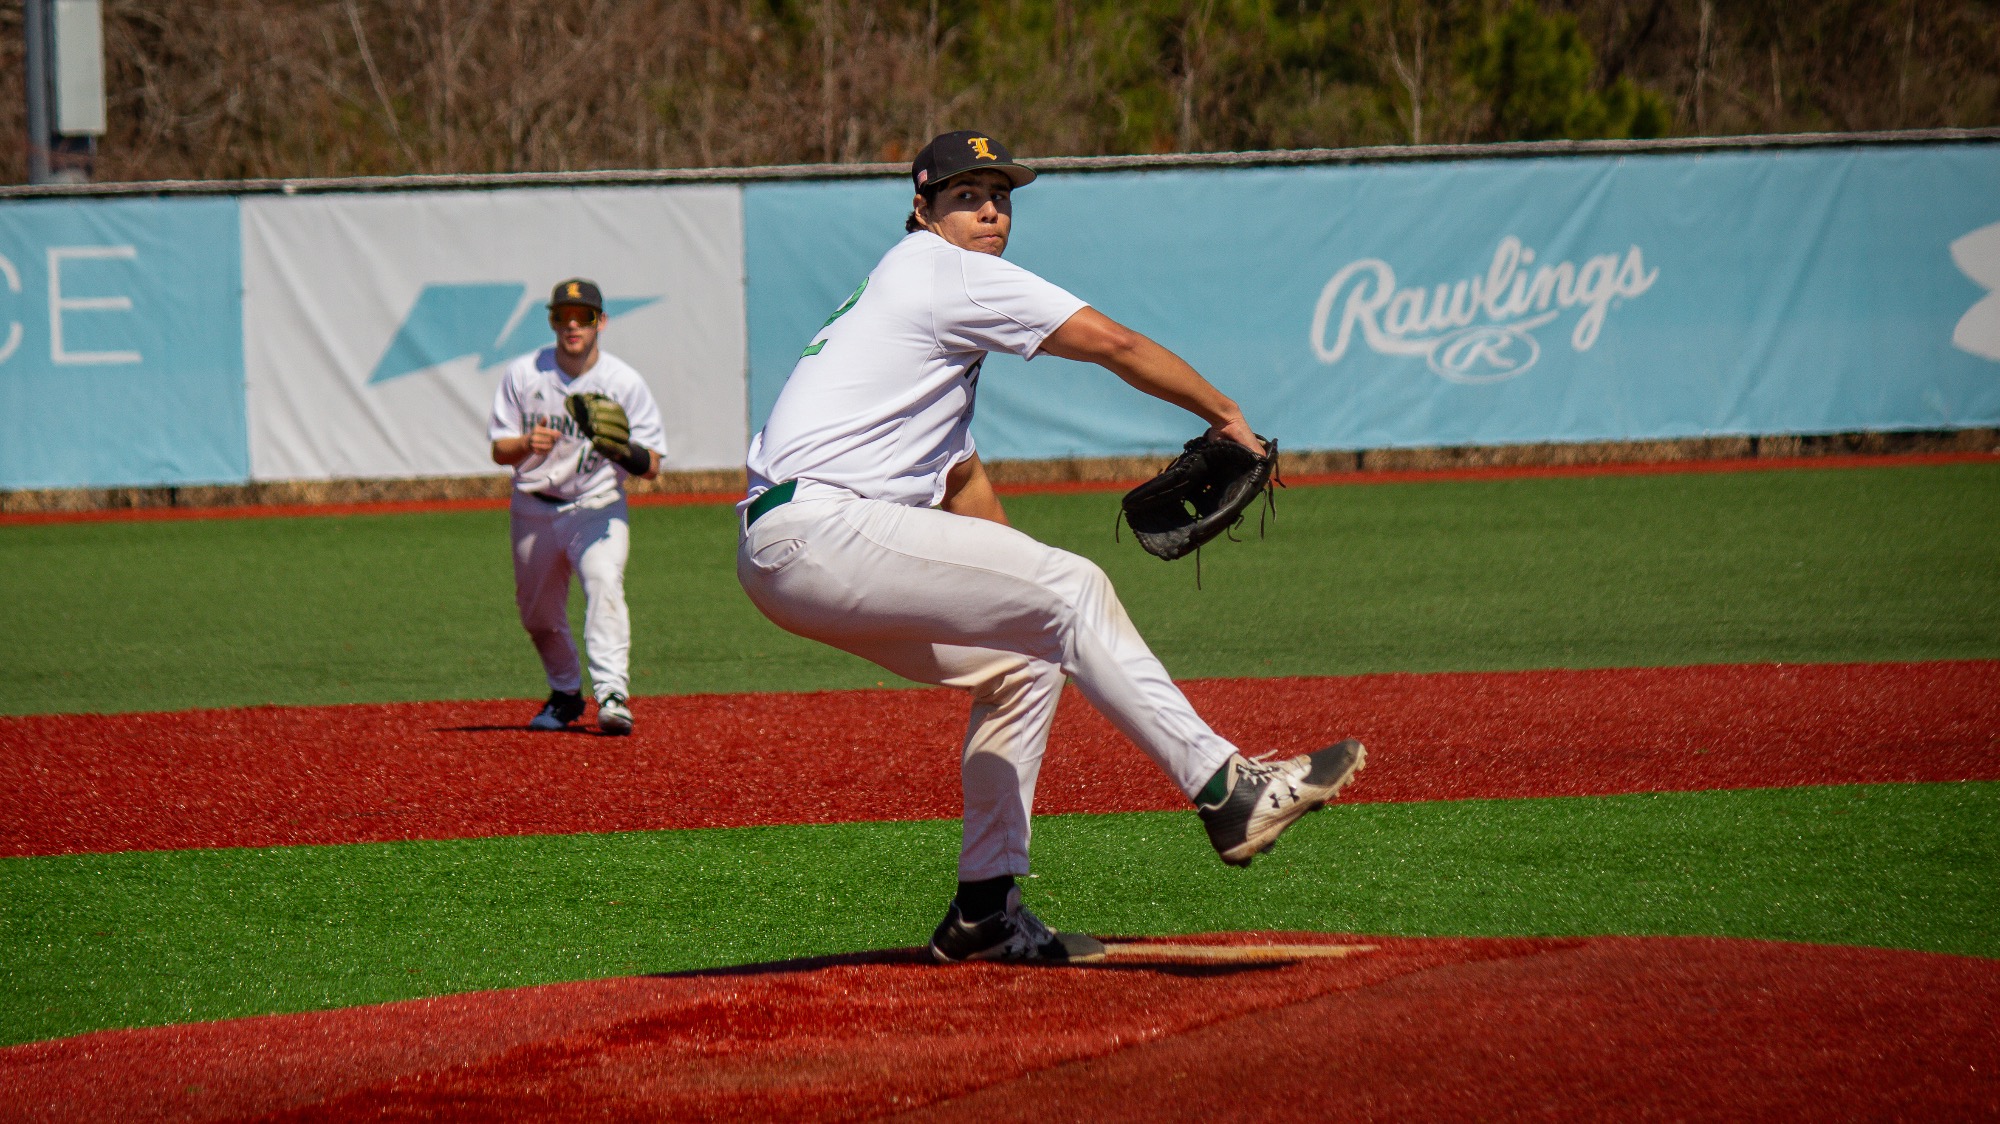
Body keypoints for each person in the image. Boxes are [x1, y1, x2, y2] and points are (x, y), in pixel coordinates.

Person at [736, 131, 1365, 964]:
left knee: (1026, 656)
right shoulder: (941, 270)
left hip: (792, 546)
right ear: (921, 211)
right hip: (824, 528)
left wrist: (1024, 589)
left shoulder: (912, 311)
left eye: (1000, 193)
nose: (990, 207)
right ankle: (1229, 789)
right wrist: (1224, 417)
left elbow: (961, 481)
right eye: (965, 194)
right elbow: (1112, 342)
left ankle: (984, 910)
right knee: (1070, 588)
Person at [489, 278, 666, 736]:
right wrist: (526, 443)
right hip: (534, 504)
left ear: (600, 322)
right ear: (551, 321)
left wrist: (618, 449)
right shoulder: (524, 373)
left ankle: (612, 694)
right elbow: (499, 450)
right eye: (562, 317)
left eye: (583, 317)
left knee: (604, 581)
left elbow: (652, 466)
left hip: (596, 504)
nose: (572, 325)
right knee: (537, 614)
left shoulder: (622, 381)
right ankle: (566, 694)